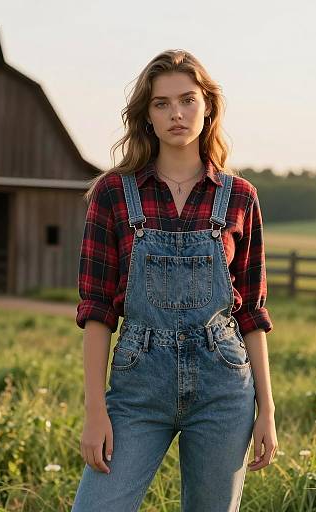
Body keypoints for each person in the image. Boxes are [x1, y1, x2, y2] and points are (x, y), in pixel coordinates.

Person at [72, 49, 278, 511]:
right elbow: (97, 313)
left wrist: (267, 409)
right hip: (138, 389)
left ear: (207, 107)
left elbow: (251, 313)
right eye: (161, 103)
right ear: (147, 116)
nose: (176, 113)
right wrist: (94, 412)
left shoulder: (240, 197)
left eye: (187, 100)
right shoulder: (112, 194)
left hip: (224, 389)